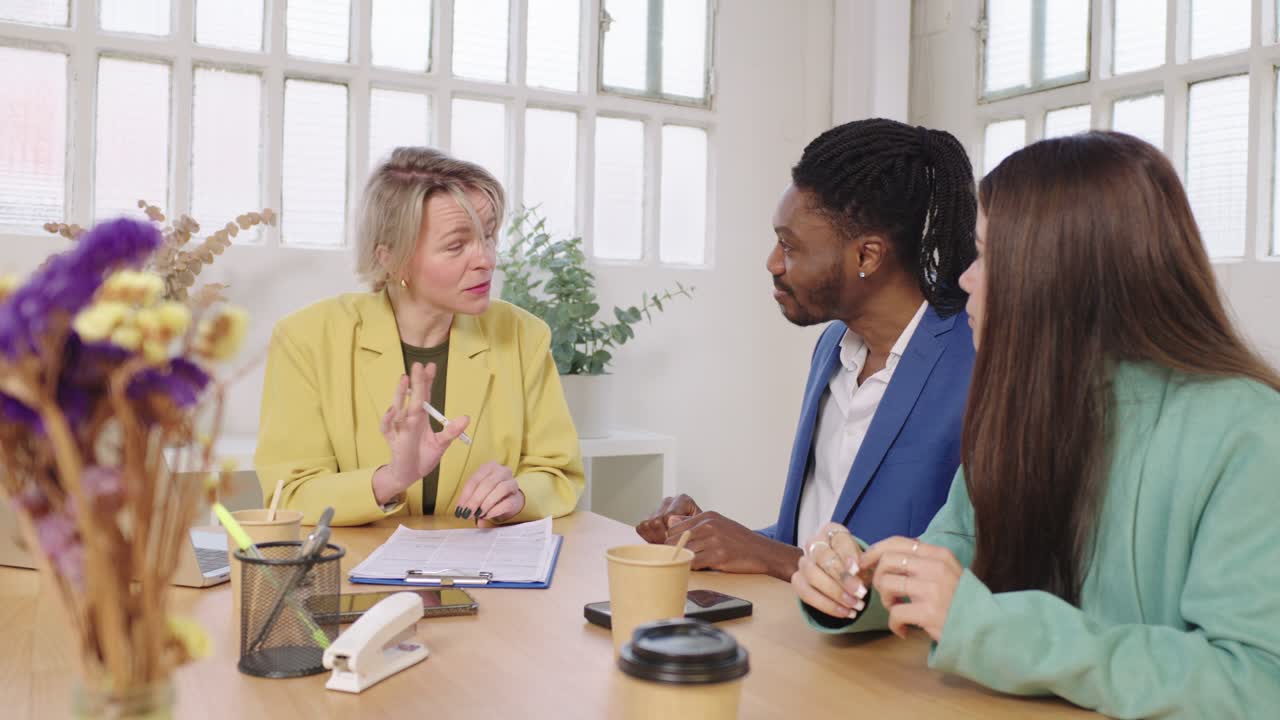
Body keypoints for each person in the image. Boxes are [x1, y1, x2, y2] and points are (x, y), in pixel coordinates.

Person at [792, 131, 1280, 718]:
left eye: (986, 254)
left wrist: (996, 630)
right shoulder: (1025, 411)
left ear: (1059, 275)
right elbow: (948, 561)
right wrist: (857, 585)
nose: (965, 279)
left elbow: (1256, 682)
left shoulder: (1250, 432)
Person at [636, 119, 977, 580]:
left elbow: (962, 570)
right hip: (803, 636)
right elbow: (813, 539)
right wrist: (709, 537)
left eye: (789, 246)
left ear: (866, 257)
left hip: (897, 649)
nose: (773, 263)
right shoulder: (833, 348)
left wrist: (765, 555)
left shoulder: (976, 362)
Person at [255, 148, 584, 527]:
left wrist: (520, 495)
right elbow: (291, 494)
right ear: (390, 258)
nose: (487, 260)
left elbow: (558, 473)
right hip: (354, 576)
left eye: (489, 237)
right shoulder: (307, 339)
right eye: (457, 245)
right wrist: (392, 478)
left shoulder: (524, 336)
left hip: (484, 576)